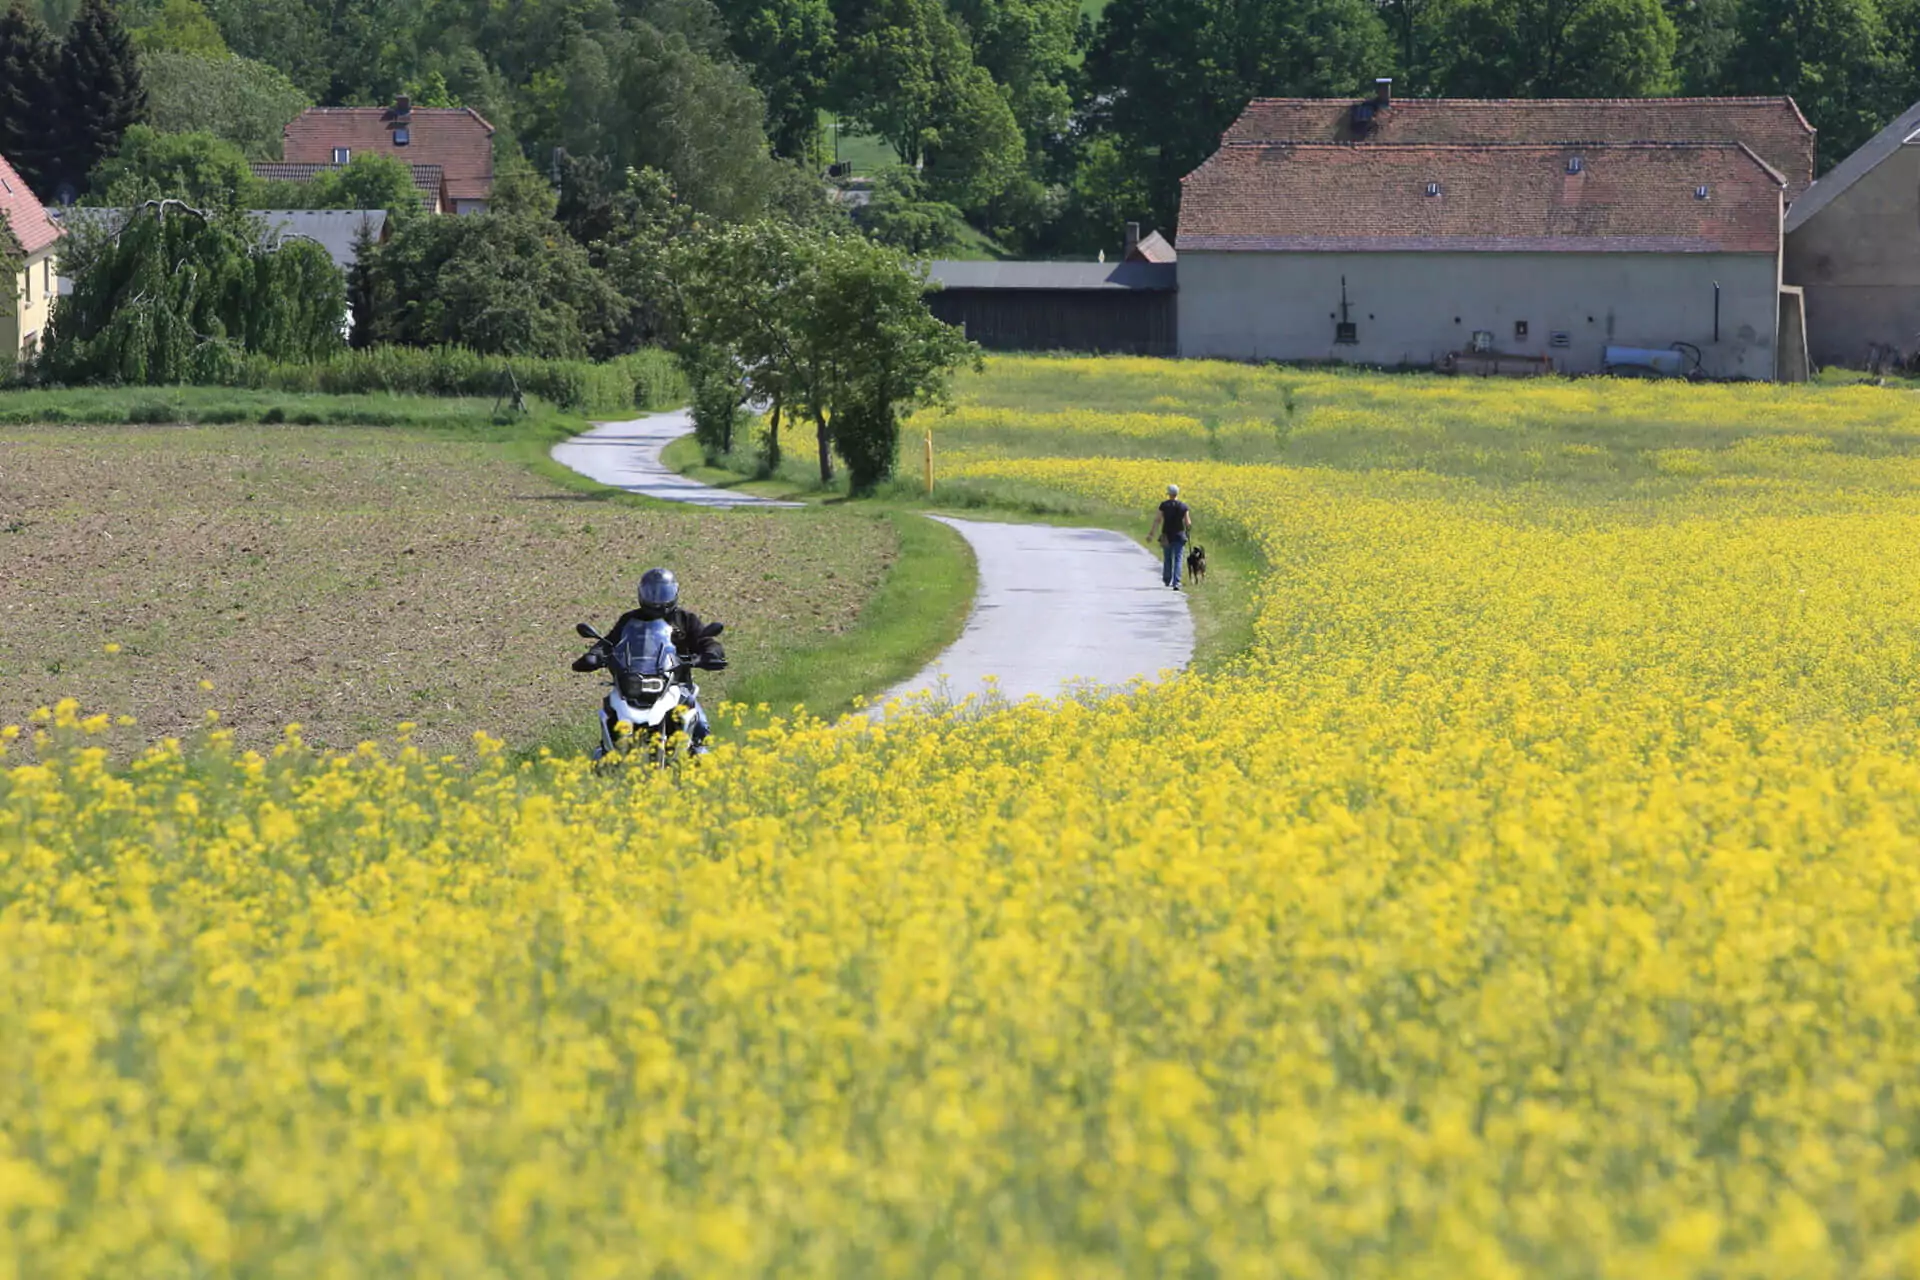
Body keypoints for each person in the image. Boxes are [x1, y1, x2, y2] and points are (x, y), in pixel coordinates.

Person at [573, 568, 727, 751]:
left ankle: (703, 766)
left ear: (674, 592)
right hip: (633, 685)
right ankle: (606, 758)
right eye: (651, 592)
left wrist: (710, 654)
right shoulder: (630, 619)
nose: (657, 598)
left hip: (676, 685)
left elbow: (706, 640)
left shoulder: (685, 619)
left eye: (663, 592)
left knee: (701, 729)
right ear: (641, 593)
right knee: (610, 717)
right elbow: (610, 641)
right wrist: (595, 655)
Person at [1148, 483, 1192, 590]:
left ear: (1169, 494)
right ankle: (1176, 582)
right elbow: (1188, 523)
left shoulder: (1164, 505)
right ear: (1177, 493)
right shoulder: (1183, 506)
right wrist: (1188, 530)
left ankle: (1167, 580)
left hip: (1166, 535)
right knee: (1178, 559)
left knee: (1167, 558)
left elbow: (1158, 520)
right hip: (1179, 535)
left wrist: (1151, 533)